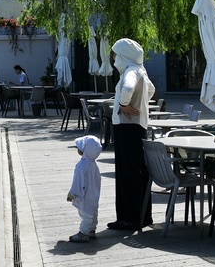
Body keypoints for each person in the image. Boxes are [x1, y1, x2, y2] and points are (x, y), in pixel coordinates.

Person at [105, 38, 154, 230]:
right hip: (138, 126)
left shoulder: (131, 71)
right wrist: (138, 103)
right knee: (138, 170)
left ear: (124, 56)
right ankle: (143, 215)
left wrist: (125, 104)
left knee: (127, 173)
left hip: (126, 127)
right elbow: (151, 90)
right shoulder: (141, 70)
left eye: (116, 55)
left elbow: (127, 87)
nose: (114, 59)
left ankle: (128, 218)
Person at [66, 135, 103, 243]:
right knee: (93, 212)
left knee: (85, 214)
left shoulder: (81, 165)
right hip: (94, 194)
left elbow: (78, 182)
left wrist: (72, 194)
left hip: (85, 195)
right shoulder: (93, 165)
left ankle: (83, 233)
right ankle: (92, 230)